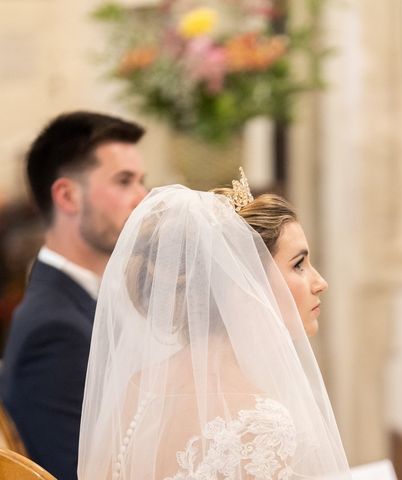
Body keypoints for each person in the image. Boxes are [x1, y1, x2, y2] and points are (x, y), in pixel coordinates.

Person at [78, 174, 350, 479]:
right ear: (244, 283)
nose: (320, 283)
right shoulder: (263, 424)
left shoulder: (136, 390)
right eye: (298, 264)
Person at [1, 111, 147, 479]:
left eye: (142, 181)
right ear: (67, 195)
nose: (142, 197)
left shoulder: (80, 302)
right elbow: (70, 471)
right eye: (124, 181)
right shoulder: (54, 329)